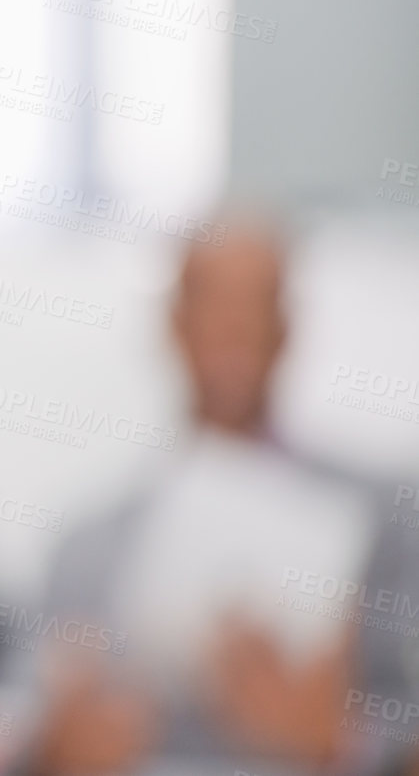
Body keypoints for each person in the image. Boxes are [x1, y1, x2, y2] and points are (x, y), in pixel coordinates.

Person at [26, 223, 374, 776]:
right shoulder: (87, 547)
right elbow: (16, 724)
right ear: (174, 325)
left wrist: (345, 744)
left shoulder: (378, 524)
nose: (233, 329)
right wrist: (53, 751)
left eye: (254, 306)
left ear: (286, 328)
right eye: (211, 304)